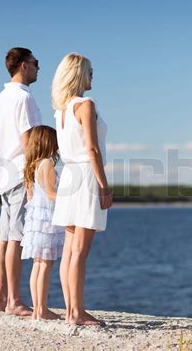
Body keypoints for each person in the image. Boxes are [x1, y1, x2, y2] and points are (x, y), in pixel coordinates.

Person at [51, 53, 113, 326]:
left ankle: (70, 310)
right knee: (80, 251)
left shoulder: (61, 110)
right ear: (78, 75)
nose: (92, 77)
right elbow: (92, 149)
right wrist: (104, 185)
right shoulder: (85, 105)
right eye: (89, 72)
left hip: (68, 176)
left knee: (69, 250)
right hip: (86, 176)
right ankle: (76, 312)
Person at [0, 47, 42, 316]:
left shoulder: (2, 97)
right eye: (36, 62)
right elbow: (29, 141)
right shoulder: (23, 98)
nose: (38, 67)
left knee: (4, 238)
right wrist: (34, 175)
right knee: (16, 237)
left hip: (3, 175)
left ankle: (1, 300)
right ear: (24, 65)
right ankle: (14, 301)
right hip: (20, 173)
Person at [20, 125, 64, 320]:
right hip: (47, 222)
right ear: (48, 142)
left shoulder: (31, 166)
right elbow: (51, 193)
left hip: (35, 222)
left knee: (38, 264)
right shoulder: (46, 163)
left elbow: (30, 198)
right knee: (46, 264)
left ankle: (37, 309)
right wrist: (71, 199)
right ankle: (42, 309)